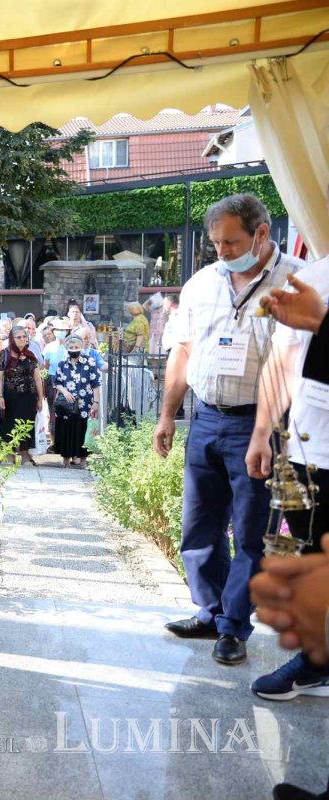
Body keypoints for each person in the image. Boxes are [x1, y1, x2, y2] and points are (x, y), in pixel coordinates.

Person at [154, 193, 302, 666]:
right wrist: (167, 415)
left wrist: (264, 433)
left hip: (260, 424)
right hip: (205, 418)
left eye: (231, 242)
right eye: (215, 242)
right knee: (199, 526)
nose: (221, 251)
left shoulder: (296, 281)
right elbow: (182, 350)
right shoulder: (201, 284)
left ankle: (234, 627)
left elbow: (291, 367)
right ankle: (211, 611)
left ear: (262, 233)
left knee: (252, 532)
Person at [251, 272, 329, 800]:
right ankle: (317, 662)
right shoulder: (316, 270)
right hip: (308, 452)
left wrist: (322, 321)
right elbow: (283, 358)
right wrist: (263, 432)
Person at [0, 325, 46, 466]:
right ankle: (9, 455)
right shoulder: (5, 354)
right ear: (12, 339)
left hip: (29, 397)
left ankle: (25, 455)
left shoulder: (30, 355)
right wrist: (0, 396)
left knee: (27, 425)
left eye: (24, 337)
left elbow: (37, 379)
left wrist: (40, 399)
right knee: (9, 425)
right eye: (19, 337)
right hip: (11, 397)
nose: (23, 339)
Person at [53, 334, 101, 468]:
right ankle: (66, 459)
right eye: (71, 347)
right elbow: (57, 382)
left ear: (81, 347)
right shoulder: (62, 363)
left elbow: (96, 384)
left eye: (76, 347)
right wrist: (65, 392)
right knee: (66, 429)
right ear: (66, 348)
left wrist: (96, 402)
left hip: (85, 402)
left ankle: (83, 460)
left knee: (82, 429)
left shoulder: (90, 362)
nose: (74, 349)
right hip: (67, 402)